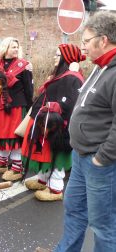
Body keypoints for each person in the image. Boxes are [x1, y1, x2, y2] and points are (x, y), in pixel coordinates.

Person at [53, 11, 116, 251]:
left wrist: (102, 158)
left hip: (100, 162)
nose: (83, 47)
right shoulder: (101, 66)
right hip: (80, 157)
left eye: (87, 41)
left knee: (104, 224)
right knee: (75, 211)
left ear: (103, 40)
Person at [21, 44, 85, 201]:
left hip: (58, 126)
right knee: (47, 152)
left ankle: (56, 190)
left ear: (66, 58)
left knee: (57, 156)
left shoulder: (72, 78)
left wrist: (58, 121)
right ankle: (43, 180)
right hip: (48, 123)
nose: (54, 58)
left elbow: (70, 104)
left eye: (58, 55)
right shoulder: (62, 75)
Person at [0, 37, 33, 181]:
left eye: (17, 47)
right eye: (13, 47)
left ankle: (17, 167)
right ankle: (1, 163)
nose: (16, 49)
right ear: (5, 48)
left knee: (14, 136)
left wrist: (30, 106)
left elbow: (29, 89)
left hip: (16, 106)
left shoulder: (24, 66)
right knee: (1, 134)